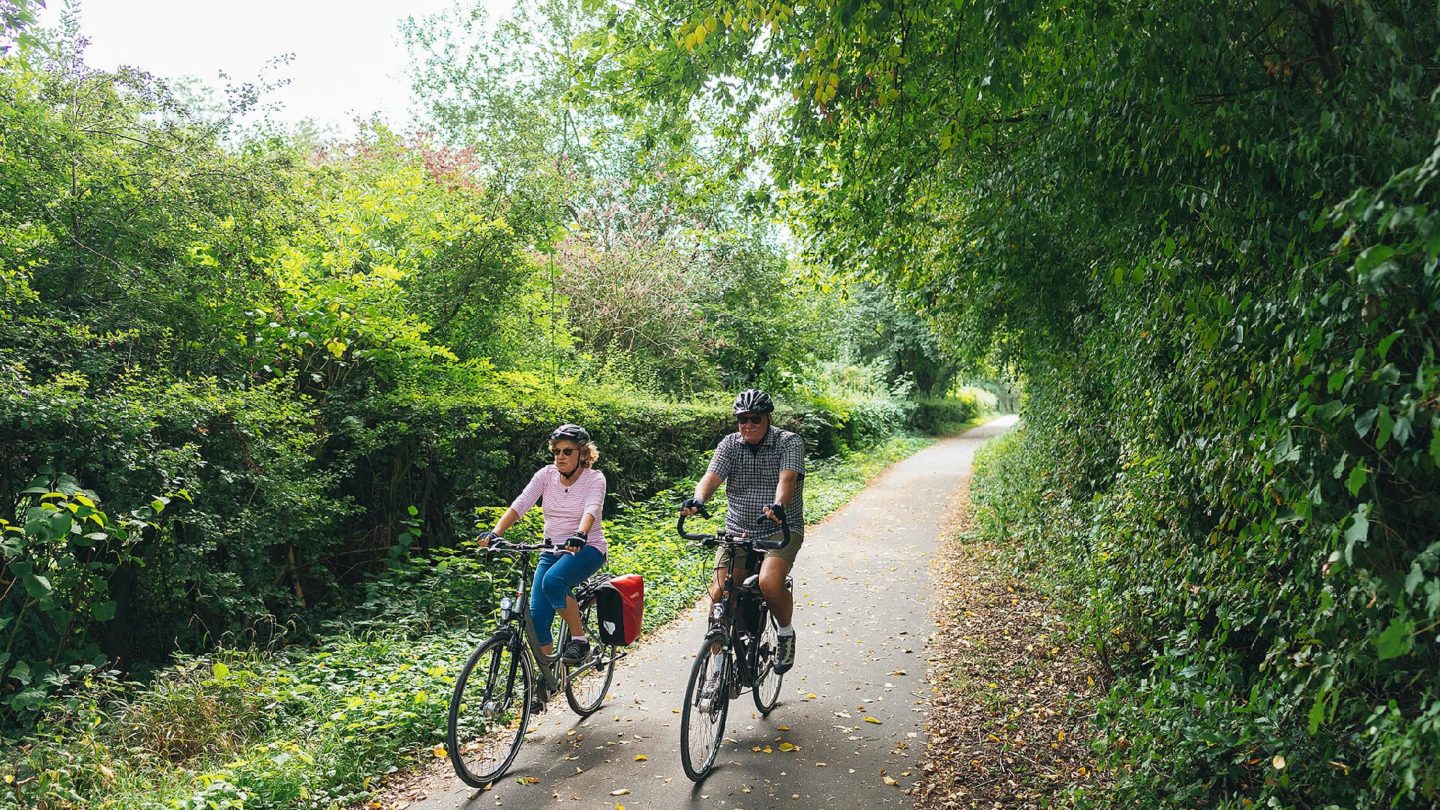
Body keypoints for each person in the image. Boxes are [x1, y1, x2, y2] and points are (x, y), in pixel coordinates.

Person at [680, 388, 805, 676]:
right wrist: (698, 500)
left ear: (768, 419)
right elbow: (711, 477)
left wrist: (778, 506)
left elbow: (786, 479)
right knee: (719, 598)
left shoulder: (788, 442)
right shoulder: (730, 444)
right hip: (737, 530)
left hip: (780, 529)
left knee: (770, 582)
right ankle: (719, 666)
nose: (748, 425)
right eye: (742, 419)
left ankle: (785, 633)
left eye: (755, 419)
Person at [478, 424, 606, 664]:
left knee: (553, 581)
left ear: (583, 454)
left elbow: (592, 508)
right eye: (556, 451)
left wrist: (580, 534)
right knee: (536, 623)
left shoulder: (594, 479)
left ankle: (580, 640)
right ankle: (544, 682)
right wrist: (495, 533)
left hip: (587, 548)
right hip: (551, 551)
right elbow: (522, 503)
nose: (560, 456)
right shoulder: (545, 475)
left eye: (567, 451)